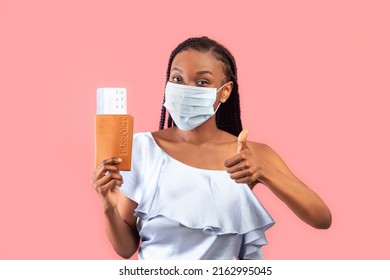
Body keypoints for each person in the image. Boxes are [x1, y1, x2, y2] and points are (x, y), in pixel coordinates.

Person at [91, 36, 332, 260]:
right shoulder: (141, 149)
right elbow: (126, 249)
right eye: (177, 79)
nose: (186, 89)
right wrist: (108, 205)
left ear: (225, 91)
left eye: (202, 82)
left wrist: (265, 172)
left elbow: (321, 218)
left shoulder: (249, 154)